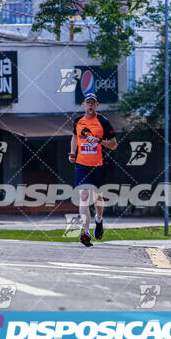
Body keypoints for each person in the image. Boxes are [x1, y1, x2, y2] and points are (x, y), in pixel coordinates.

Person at [69, 93, 117, 247]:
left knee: (97, 197)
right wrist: (72, 153)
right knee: (83, 196)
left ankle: (99, 220)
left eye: (93, 103)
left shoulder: (103, 121)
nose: (90, 105)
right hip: (81, 164)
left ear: (97, 105)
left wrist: (99, 140)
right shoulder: (78, 121)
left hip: (99, 165)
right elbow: (75, 138)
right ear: (84, 105)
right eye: (87, 103)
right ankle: (86, 232)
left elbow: (114, 144)